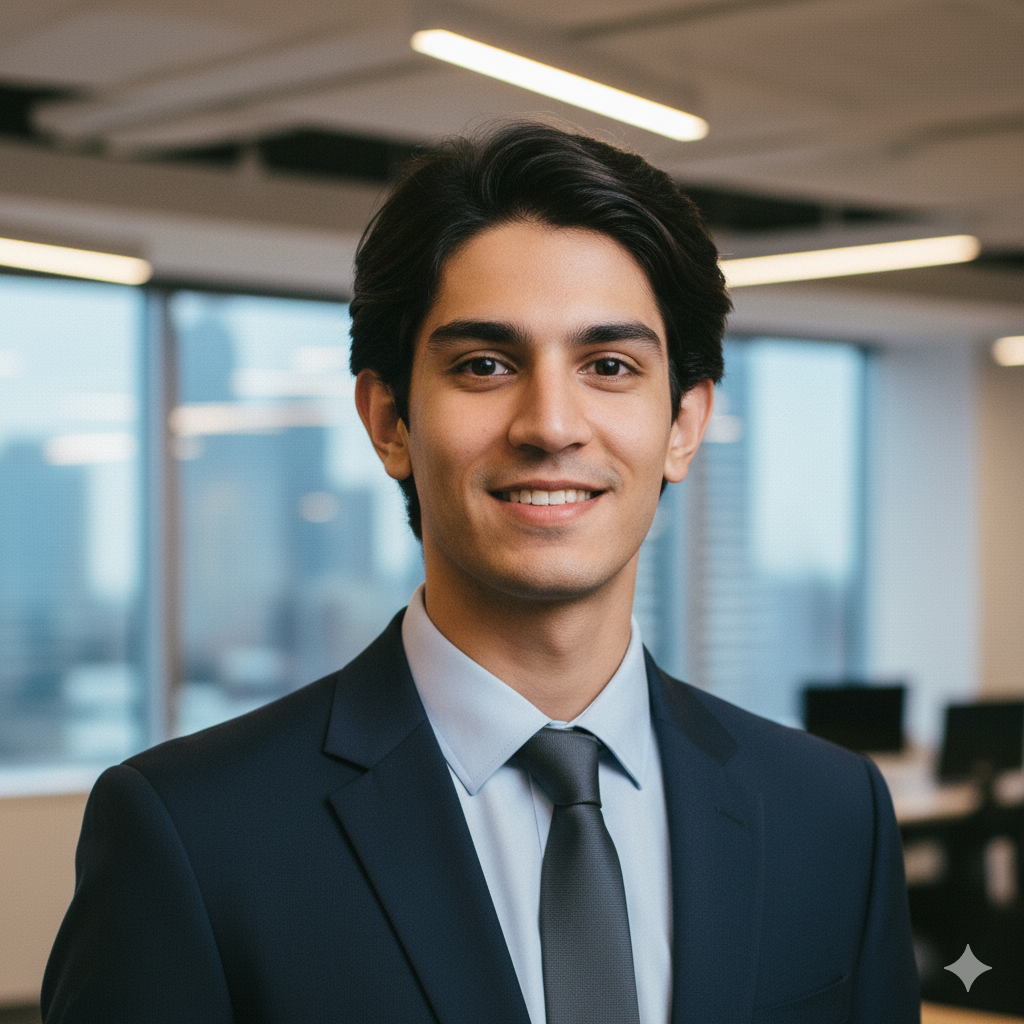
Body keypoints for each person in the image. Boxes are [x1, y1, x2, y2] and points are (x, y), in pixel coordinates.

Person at [42, 122, 919, 1024]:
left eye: (609, 365)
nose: (550, 424)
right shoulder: (194, 833)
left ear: (685, 426)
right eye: (485, 365)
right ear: (388, 421)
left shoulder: (830, 815)